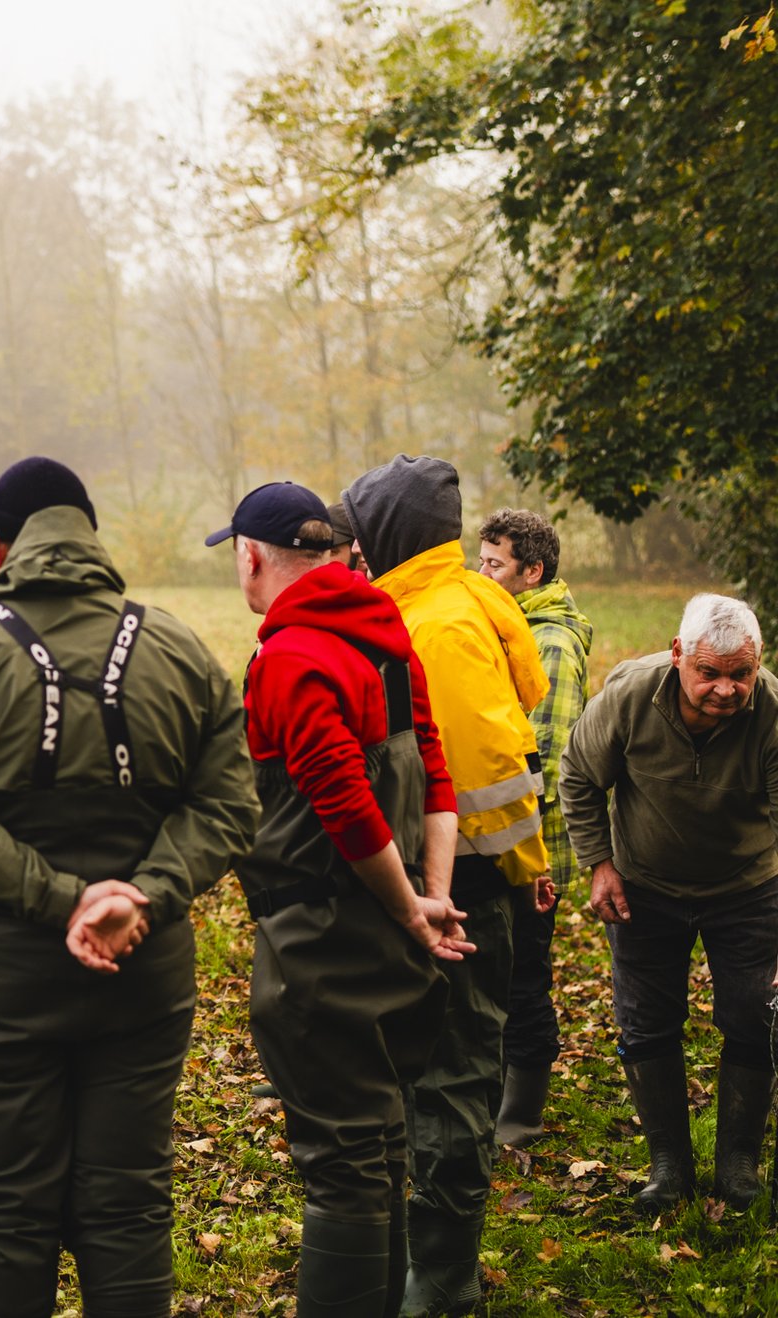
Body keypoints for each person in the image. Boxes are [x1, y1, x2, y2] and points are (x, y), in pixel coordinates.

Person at [0, 457, 258, 1318]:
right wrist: (139, 896)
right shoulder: (181, 650)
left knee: (3, 1211)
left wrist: (61, 902)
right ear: (91, 538)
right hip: (143, 968)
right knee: (128, 1204)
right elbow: (232, 803)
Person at [217, 481, 469, 1317]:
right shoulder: (386, 638)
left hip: (325, 942)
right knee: (381, 1139)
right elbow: (434, 771)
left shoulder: (288, 656)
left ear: (252, 559)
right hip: (396, 933)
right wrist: (431, 899)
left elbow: (342, 798)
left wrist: (407, 908)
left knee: (343, 1161)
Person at [339, 456, 551, 1317]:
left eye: (359, 532)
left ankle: (445, 1273)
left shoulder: (441, 621)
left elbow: (487, 766)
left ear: (388, 532)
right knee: (411, 1072)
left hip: (457, 883)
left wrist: (517, 869)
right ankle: (409, 1254)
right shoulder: (430, 601)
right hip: (421, 874)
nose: (348, 549)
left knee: (456, 1075)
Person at [560, 593, 778, 1213]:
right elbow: (577, 774)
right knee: (645, 1019)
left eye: (741, 674)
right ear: (679, 655)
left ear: (757, 663)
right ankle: (668, 1166)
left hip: (748, 886)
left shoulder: (773, 713)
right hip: (646, 884)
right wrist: (599, 864)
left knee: (754, 1016)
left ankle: (737, 1163)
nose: (726, 690)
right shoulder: (631, 695)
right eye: (709, 673)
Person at [476, 508, 593, 1147]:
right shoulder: (514, 624)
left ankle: (521, 1115)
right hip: (510, 839)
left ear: (533, 571)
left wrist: (533, 863)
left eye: (494, 564)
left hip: (531, 846)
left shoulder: (546, 640)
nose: (481, 572)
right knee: (503, 969)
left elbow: (543, 757)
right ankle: (498, 1093)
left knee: (524, 976)